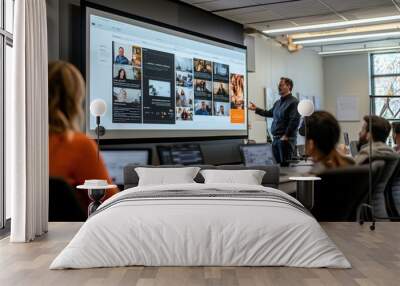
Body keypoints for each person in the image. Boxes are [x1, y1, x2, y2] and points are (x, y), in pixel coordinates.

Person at [48, 61, 118, 212]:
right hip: (76, 233)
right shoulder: (76, 145)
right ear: (75, 99)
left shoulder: (12, 143)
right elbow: (111, 205)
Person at [249, 77, 301, 166]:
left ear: (288, 86)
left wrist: (286, 136)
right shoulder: (278, 102)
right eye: (278, 85)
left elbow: (294, 121)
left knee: (285, 168)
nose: (279, 87)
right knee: (275, 167)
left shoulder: (294, 102)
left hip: (286, 140)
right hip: (276, 139)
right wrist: (256, 109)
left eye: (281, 85)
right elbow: (269, 113)